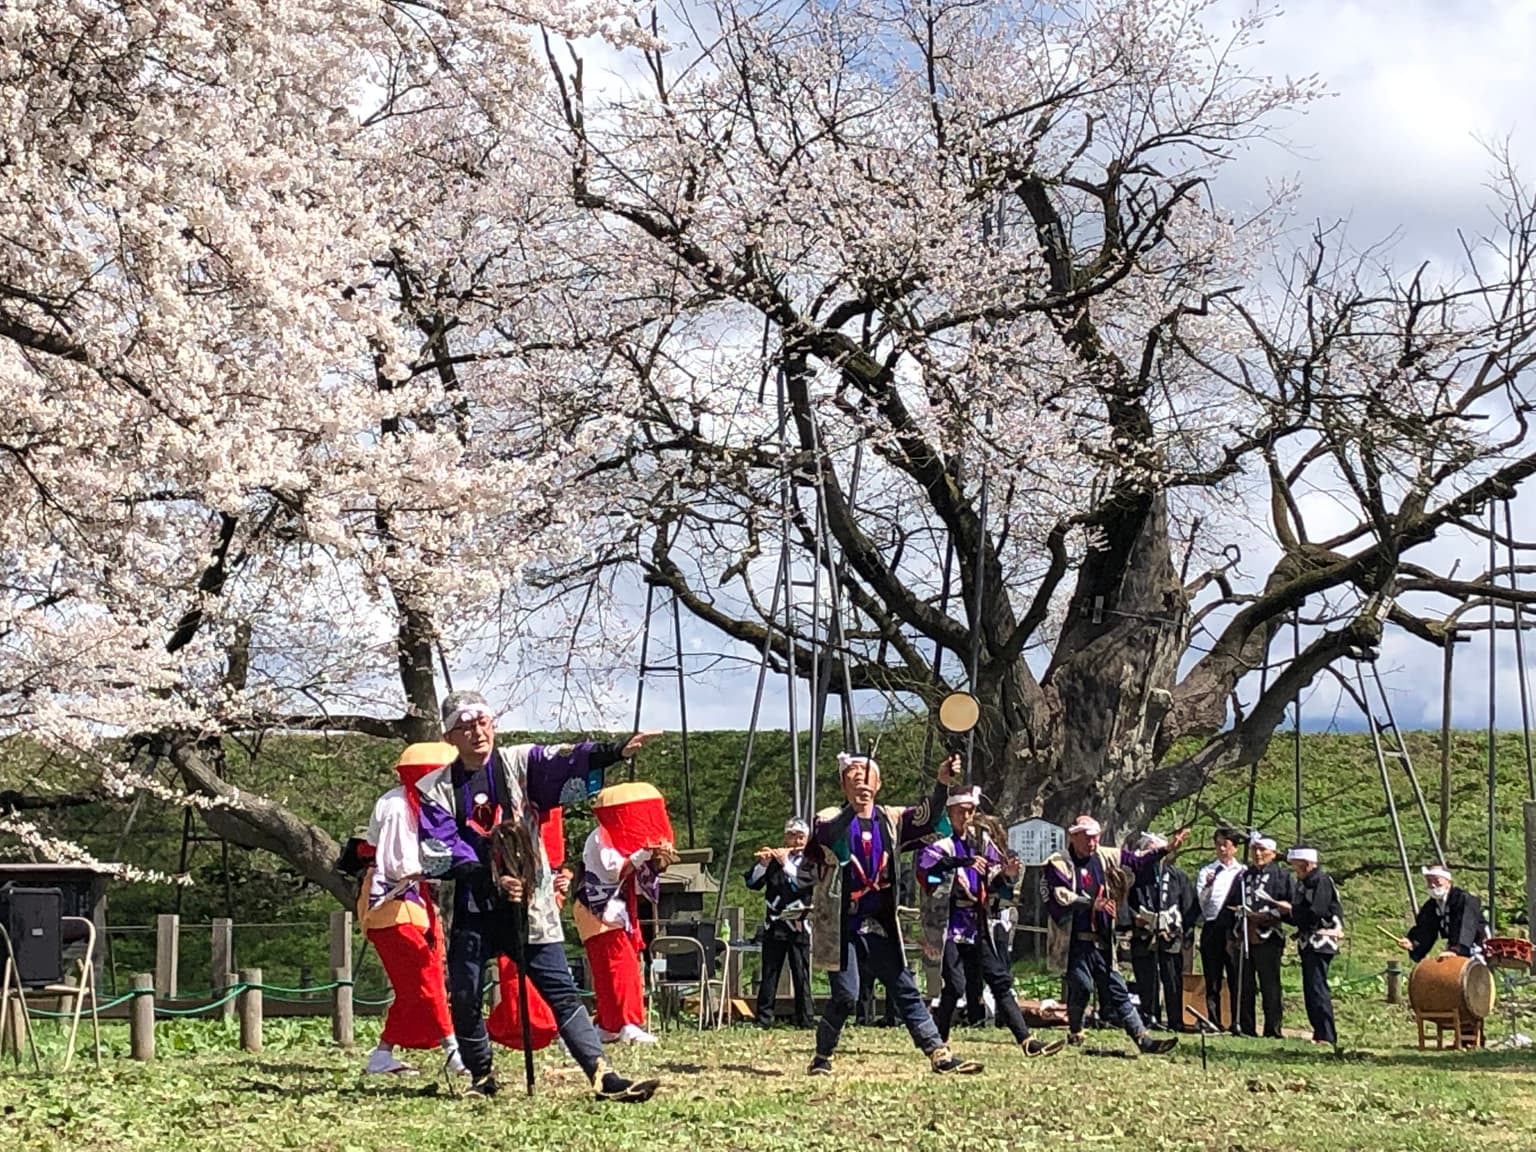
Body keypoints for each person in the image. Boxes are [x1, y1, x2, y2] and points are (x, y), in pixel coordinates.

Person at [415, 690, 664, 1102]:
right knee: (464, 994)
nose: (478, 732)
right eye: (466, 726)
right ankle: (481, 1076)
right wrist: (489, 878)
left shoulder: (517, 763)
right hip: (474, 904)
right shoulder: (435, 788)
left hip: (529, 903)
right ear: (449, 736)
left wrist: (611, 752)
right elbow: (440, 847)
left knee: (560, 990)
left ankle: (603, 1076)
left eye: (483, 723)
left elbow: (562, 760)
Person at [804, 751, 983, 1077]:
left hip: (881, 921)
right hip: (843, 923)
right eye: (853, 775)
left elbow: (928, 820)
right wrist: (851, 812)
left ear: (879, 783)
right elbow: (824, 840)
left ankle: (937, 1052)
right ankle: (822, 1055)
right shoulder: (831, 815)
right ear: (843, 784)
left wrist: (942, 783)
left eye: (867, 774)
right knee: (846, 996)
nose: (861, 779)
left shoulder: (891, 818)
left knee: (905, 988)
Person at [916, 787, 1062, 1056]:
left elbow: (997, 885)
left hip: (977, 923)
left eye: (971, 810)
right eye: (961, 811)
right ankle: (939, 1038)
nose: (967, 816)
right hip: (947, 924)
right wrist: (961, 863)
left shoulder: (982, 844)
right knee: (955, 985)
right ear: (950, 812)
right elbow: (928, 874)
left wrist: (1006, 875)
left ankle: (1026, 1040)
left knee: (1000, 980)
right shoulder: (939, 844)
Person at [355, 741, 465, 1077]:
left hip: (408, 900)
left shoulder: (403, 803)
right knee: (424, 974)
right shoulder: (403, 807)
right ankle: (453, 1049)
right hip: (395, 901)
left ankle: (383, 1052)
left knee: (413, 980)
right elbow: (401, 862)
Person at [1044, 816, 1187, 1054]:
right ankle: (1075, 1028)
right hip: (1073, 941)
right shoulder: (1058, 863)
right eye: (1088, 838)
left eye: (1096, 838)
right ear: (1074, 836)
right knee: (1082, 984)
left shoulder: (1104, 855)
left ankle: (1143, 1039)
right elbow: (1059, 896)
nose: (1092, 843)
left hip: (1102, 940)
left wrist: (1166, 849)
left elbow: (1136, 860)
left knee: (1117, 989)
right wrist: (1092, 904)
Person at [572, 783, 679, 1046]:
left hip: (612, 910)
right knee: (621, 968)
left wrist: (657, 855)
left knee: (612, 969)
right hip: (598, 908)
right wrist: (644, 851)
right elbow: (613, 870)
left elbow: (647, 876)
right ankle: (629, 1022)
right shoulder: (601, 836)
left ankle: (611, 1025)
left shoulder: (621, 840)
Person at [745, 817, 816, 1030]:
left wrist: (786, 864)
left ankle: (805, 1019)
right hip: (774, 923)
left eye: (800, 836)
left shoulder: (810, 860)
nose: (795, 841)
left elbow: (804, 883)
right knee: (770, 972)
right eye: (792, 835)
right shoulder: (774, 861)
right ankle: (763, 1018)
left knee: (801, 972)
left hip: (799, 922)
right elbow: (752, 883)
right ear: (785, 836)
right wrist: (763, 864)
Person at [1126, 831, 1198, 1033]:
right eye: (1152, 850)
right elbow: (1123, 903)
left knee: (1172, 977)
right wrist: (1134, 918)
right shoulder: (1134, 876)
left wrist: (1185, 929)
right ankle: (1149, 1016)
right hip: (1143, 933)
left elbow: (1189, 905)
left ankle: (1175, 1019)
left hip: (1170, 933)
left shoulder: (1177, 875)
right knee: (1146, 977)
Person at [1225, 834, 1294, 1039]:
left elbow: (1291, 907)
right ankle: (1246, 1026)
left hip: (1268, 936)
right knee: (1244, 984)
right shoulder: (1244, 876)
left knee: (1270, 985)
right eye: (1255, 849)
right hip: (1245, 934)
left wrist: (1268, 915)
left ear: (1272, 853)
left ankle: (1273, 1028)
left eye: (1262, 850)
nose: (1257, 854)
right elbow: (1231, 902)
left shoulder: (1282, 877)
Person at [1274, 846, 1342, 1045]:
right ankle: (1318, 1031)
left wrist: (1292, 910)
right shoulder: (1303, 883)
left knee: (1317, 987)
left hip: (1321, 941)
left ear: (1306, 864)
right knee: (1310, 988)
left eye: (1297, 867)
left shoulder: (1321, 881)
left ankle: (1327, 1034)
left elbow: (1316, 911)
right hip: (1307, 942)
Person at [1195, 828, 1245, 1032]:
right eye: (1218, 845)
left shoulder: (1242, 872)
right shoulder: (1207, 871)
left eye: (1226, 845)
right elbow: (1202, 903)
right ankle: (1213, 1020)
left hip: (1233, 928)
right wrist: (1208, 886)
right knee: (1212, 976)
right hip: (1212, 926)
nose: (1222, 849)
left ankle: (1238, 1021)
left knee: (1235, 976)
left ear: (1235, 848)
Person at [1398, 865, 1488, 961]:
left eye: (1436, 881)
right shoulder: (1431, 905)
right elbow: (1426, 928)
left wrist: (1457, 949)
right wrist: (1413, 942)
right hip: (1453, 946)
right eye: (1429, 881)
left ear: (1448, 882)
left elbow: (1466, 925)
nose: (1432, 885)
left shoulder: (1464, 899)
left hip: (1478, 944)